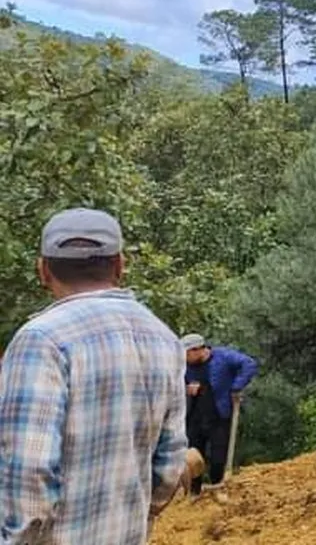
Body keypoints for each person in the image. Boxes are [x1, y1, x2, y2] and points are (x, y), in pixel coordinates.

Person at [0, 208, 189, 543]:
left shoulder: (41, 340)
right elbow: (170, 464)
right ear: (119, 265)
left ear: (42, 270)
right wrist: (142, 509)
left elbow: (29, 471)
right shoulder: (163, 338)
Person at [183, 334, 258, 495]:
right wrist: (187, 389)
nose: (185, 358)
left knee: (218, 457)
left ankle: (217, 488)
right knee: (193, 455)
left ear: (198, 350)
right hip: (195, 415)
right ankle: (194, 491)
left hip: (219, 414)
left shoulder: (223, 356)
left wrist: (236, 387)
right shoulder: (186, 367)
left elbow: (249, 364)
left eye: (187, 353)